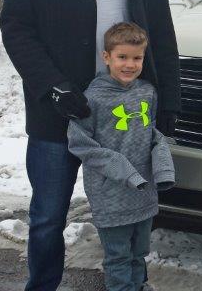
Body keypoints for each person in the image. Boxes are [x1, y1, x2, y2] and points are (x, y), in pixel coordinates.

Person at [0, 0, 180, 291]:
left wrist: (169, 103)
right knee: (47, 215)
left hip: (127, 114)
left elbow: (163, 35)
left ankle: (132, 283)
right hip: (58, 113)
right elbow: (15, 26)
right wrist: (52, 86)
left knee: (134, 209)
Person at [68, 22, 175, 291]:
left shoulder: (147, 92)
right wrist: (121, 168)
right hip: (110, 193)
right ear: (107, 57)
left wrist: (162, 167)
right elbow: (81, 144)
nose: (130, 64)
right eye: (122, 57)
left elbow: (152, 133)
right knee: (118, 256)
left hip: (143, 191)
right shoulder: (92, 99)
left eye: (136, 58)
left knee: (139, 253)